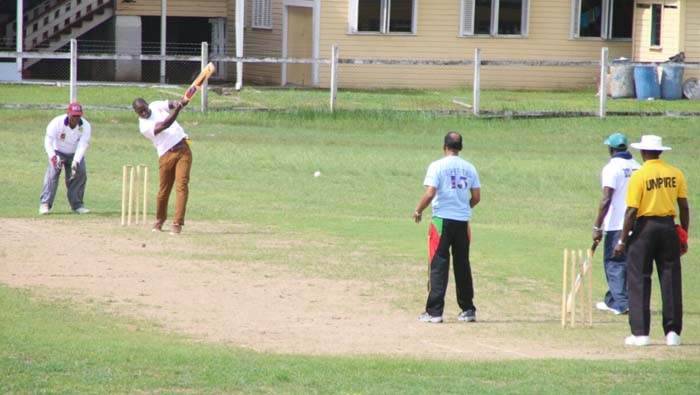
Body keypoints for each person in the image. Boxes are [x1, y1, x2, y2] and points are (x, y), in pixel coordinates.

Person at [614, 135, 689, 347]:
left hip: (644, 229)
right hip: (668, 227)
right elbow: (683, 206)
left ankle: (640, 333)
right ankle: (673, 333)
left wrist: (621, 240)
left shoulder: (640, 175)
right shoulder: (675, 173)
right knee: (671, 279)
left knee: (638, 279)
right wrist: (684, 233)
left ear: (643, 152)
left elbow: (631, 211)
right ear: (660, 152)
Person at [413, 132, 481, 323]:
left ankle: (434, 312)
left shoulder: (437, 166)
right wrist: (464, 208)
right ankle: (468, 309)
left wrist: (418, 211)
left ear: (444, 147)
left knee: (438, 264)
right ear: (460, 148)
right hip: (462, 223)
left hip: (441, 221)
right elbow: (476, 197)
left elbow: (430, 193)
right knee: (462, 265)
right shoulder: (470, 168)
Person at [592, 133, 641, 315]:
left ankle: (621, 303)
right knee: (628, 262)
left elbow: (606, 199)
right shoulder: (638, 167)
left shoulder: (611, 168)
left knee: (614, 263)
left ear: (611, 149)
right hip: (638, 223)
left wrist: (597, 227)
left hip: (617, 224)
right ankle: (612, 299)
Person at [132, 97, 192, 235]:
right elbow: (165, 125)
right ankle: (160, 220)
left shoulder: (155, 105)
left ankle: (177, 223)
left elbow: (170, 104)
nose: (144, 113)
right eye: (140, 112)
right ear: (136, 113)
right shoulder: (144, 126)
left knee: (182, 185)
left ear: (148, 105)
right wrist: (177, 110)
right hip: (165, 154)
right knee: (163, 191)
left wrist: (178, 103)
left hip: (183, 148)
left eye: (144, 109)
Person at [39, 102, 92, 215]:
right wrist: (53, 157)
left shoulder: (85, 126)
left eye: (78, 116)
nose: (76, 119)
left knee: (80, 173)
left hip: (74, 153)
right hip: (57, 151)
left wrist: (76, 161)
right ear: (68, 113)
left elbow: (83, 144)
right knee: (52, 173)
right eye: (74, 115)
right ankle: (45, 204)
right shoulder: (57, 123)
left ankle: (77, 205)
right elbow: (48, 142)